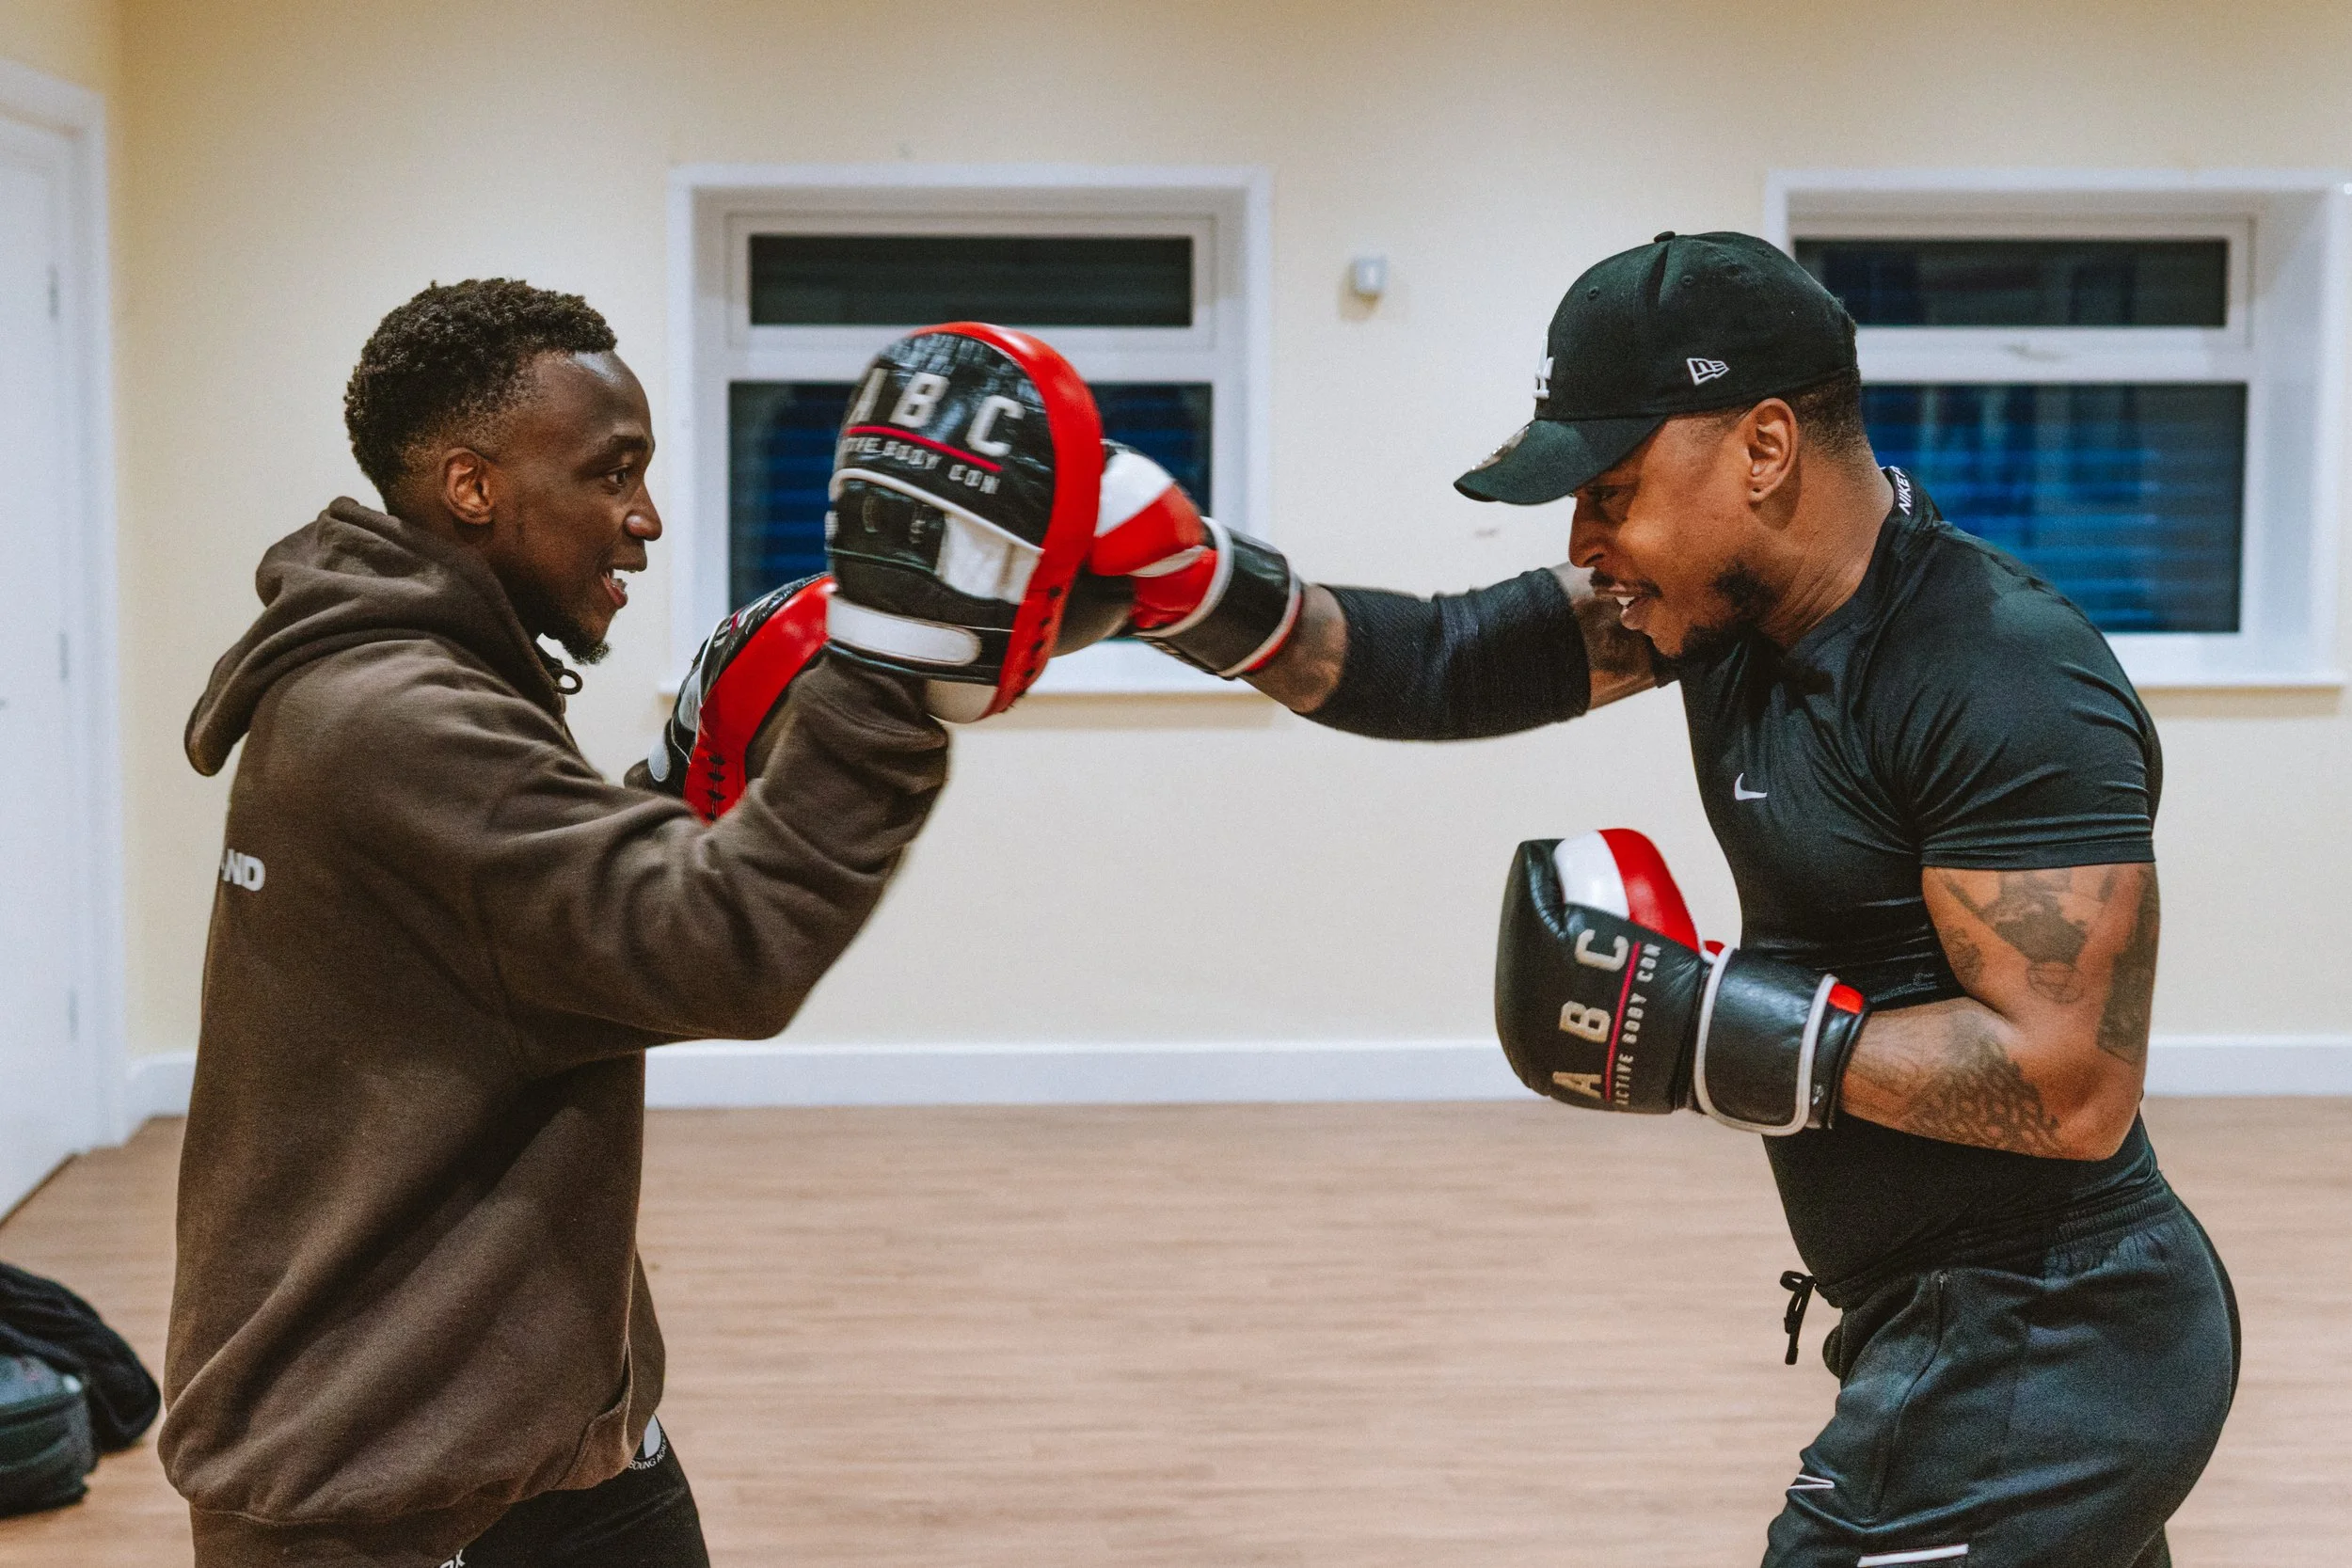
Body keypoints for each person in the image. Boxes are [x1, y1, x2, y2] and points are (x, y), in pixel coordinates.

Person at [1082, 231, 2238, 1567]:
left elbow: (2070, 1081)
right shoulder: (1716, 614)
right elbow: (1442, 663)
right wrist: (1189, 592)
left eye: (1612, 489)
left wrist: (1710, 1028)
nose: (1585, 541)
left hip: (2054, 1332)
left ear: (1761, 450)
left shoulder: (1996, 674)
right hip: (1933, 1312)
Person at [166, 285, 1095, 1567]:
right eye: (614, 473)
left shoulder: (405, 681)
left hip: (533, 1418)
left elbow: (531, 930)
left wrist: (674, 779)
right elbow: (726, 948)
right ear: (474, 485)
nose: (647, 518)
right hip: (378, 1476)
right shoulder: (397, 718)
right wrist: (884, 669)